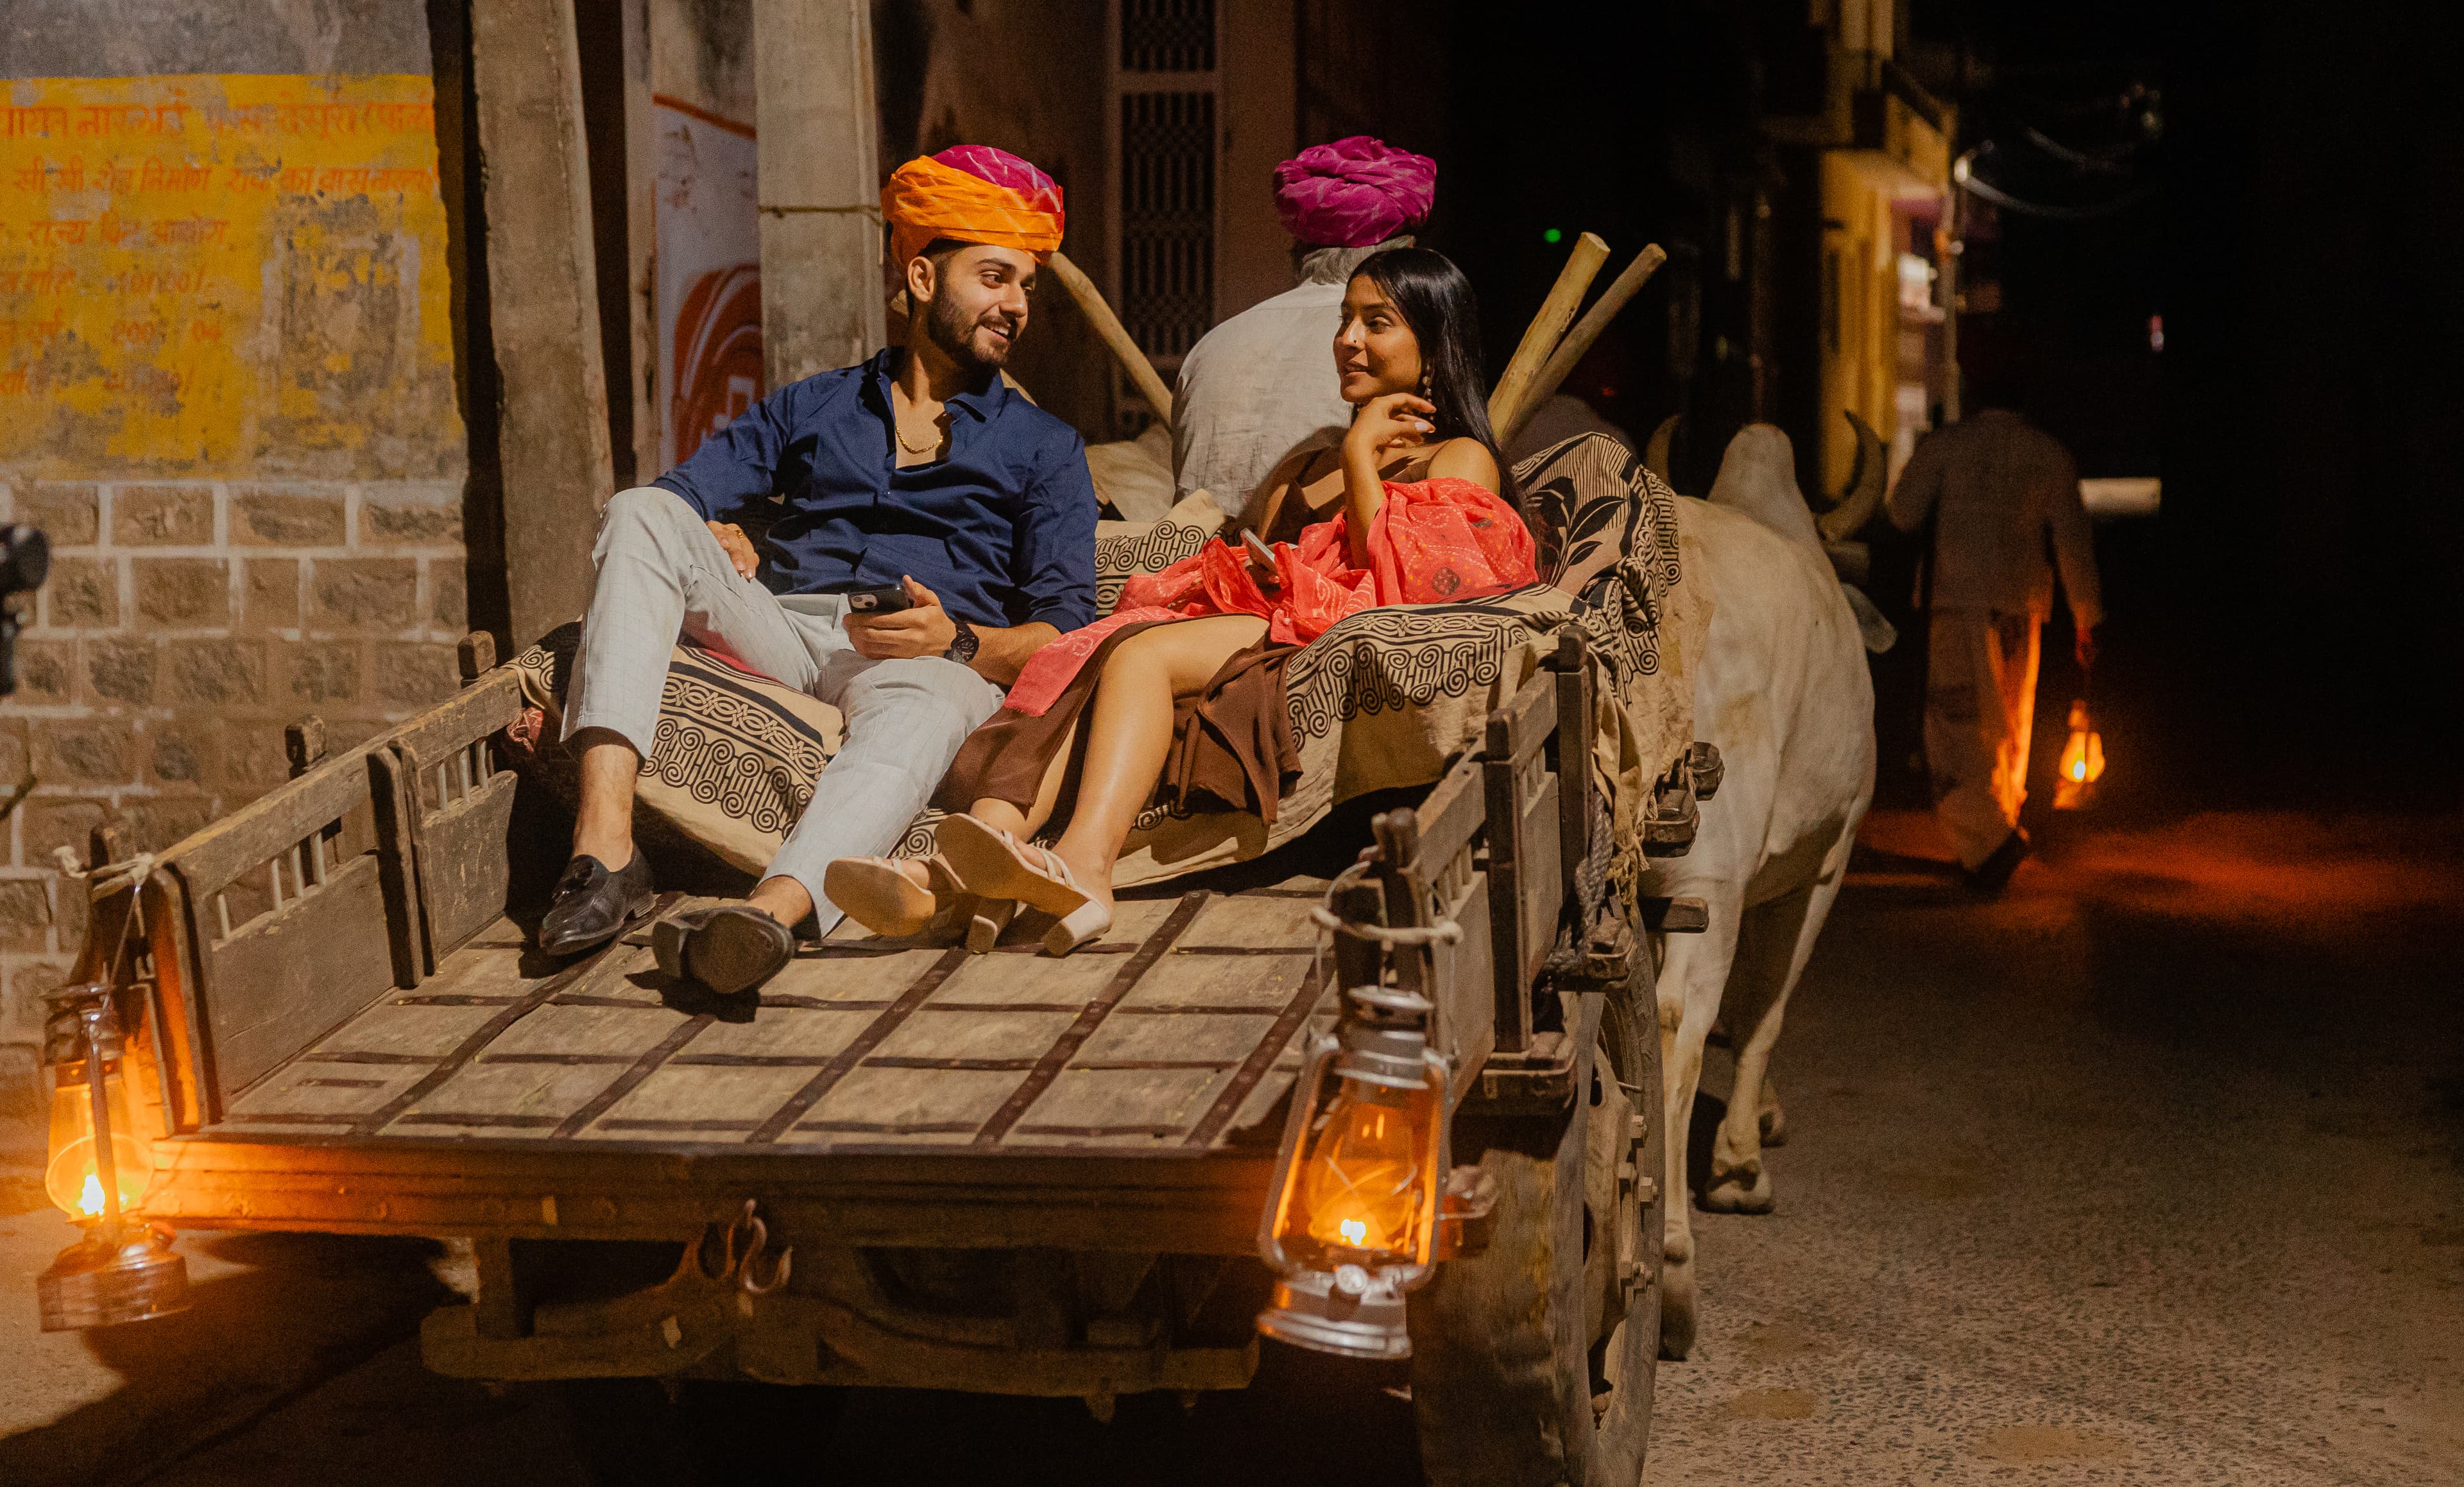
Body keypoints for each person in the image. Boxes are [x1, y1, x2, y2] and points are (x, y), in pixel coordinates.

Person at [828, 248, 1532, 956]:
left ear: (1436, 346)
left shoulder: (1456, 458)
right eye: (1346, 318)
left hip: (1313, 635)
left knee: (1138, 654)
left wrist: (1359, 457)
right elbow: (1243, 552)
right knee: (1083, 656)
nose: (1347, 338)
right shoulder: (1306, 462)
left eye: (1375, 322)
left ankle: (1083, 864)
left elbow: (1412, 586)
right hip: (1251, 625)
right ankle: (964, 867)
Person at [535, 145, 1097, 995]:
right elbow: (680, 495)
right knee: (640, 514)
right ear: (920, 277)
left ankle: (770, 917)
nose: (1015, 305)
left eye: (1026, 286)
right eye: (993, 278)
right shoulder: (817, 405)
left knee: (926, 712)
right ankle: (606, 851)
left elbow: (1065, 631)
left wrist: (961, 640)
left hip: (926, 669)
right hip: (789, 629)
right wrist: (715, 533)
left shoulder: (1046, 448)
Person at [1886, 375, 2102, 894]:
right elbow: (2072, 538)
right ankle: (1999, 828)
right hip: (2020, 606)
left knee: (1958, 722)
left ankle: (1989, 843)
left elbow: (1901, 512)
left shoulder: (1947, 445)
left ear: (1976, 398)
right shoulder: (2048, 454)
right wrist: (2087, 616)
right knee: (2009, 721)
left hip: (1956, 601)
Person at [1171, 135, 1437, 511]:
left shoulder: (1210, 345)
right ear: (1404, 258)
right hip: (1319, 564)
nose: (1350, 341)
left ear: (1300, 250)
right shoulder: (1386, 352)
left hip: (1195, 563)